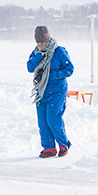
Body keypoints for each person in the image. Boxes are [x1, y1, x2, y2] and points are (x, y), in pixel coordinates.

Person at [27, 26, 73, 158]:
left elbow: (69, 69)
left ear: (48, 39)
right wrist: (38, 58)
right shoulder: (36, 52)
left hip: (57, 90)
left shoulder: (59, 51)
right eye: (38, 42)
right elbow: (30, 67)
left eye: (43, 42)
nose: (41, 45)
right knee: (42, 121)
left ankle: (63, 144)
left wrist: (52, 75)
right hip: (42, 91)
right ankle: (49, 148)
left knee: (53, 118)